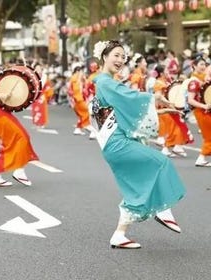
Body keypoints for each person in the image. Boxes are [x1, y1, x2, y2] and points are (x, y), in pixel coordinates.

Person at [92, 40, 186, 249]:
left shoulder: (106, 83)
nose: (120, 60)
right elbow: (132, 98)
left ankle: (119, 234)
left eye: (122, 56)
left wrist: (161, 110)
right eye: (116, 55)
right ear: (104, 56)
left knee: (136, 188)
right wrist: (155, 97)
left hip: (114, 143)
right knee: (161, 162)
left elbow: (125, 110)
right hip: (117, 143)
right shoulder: (106, 82)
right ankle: (162, 209)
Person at [0, 40, 39, 186]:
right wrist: (1, 95)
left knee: (17, 137)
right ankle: (16, 171)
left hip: (0, 109)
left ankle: (5, 173)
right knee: (19, 137)